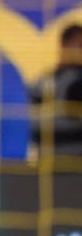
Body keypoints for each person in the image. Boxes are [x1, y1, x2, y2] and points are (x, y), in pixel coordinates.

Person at [29, 24, 82, 156]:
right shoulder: (44, 83)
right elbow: (32, 125)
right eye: (80, 46)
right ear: (64, 46)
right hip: (54, 160)